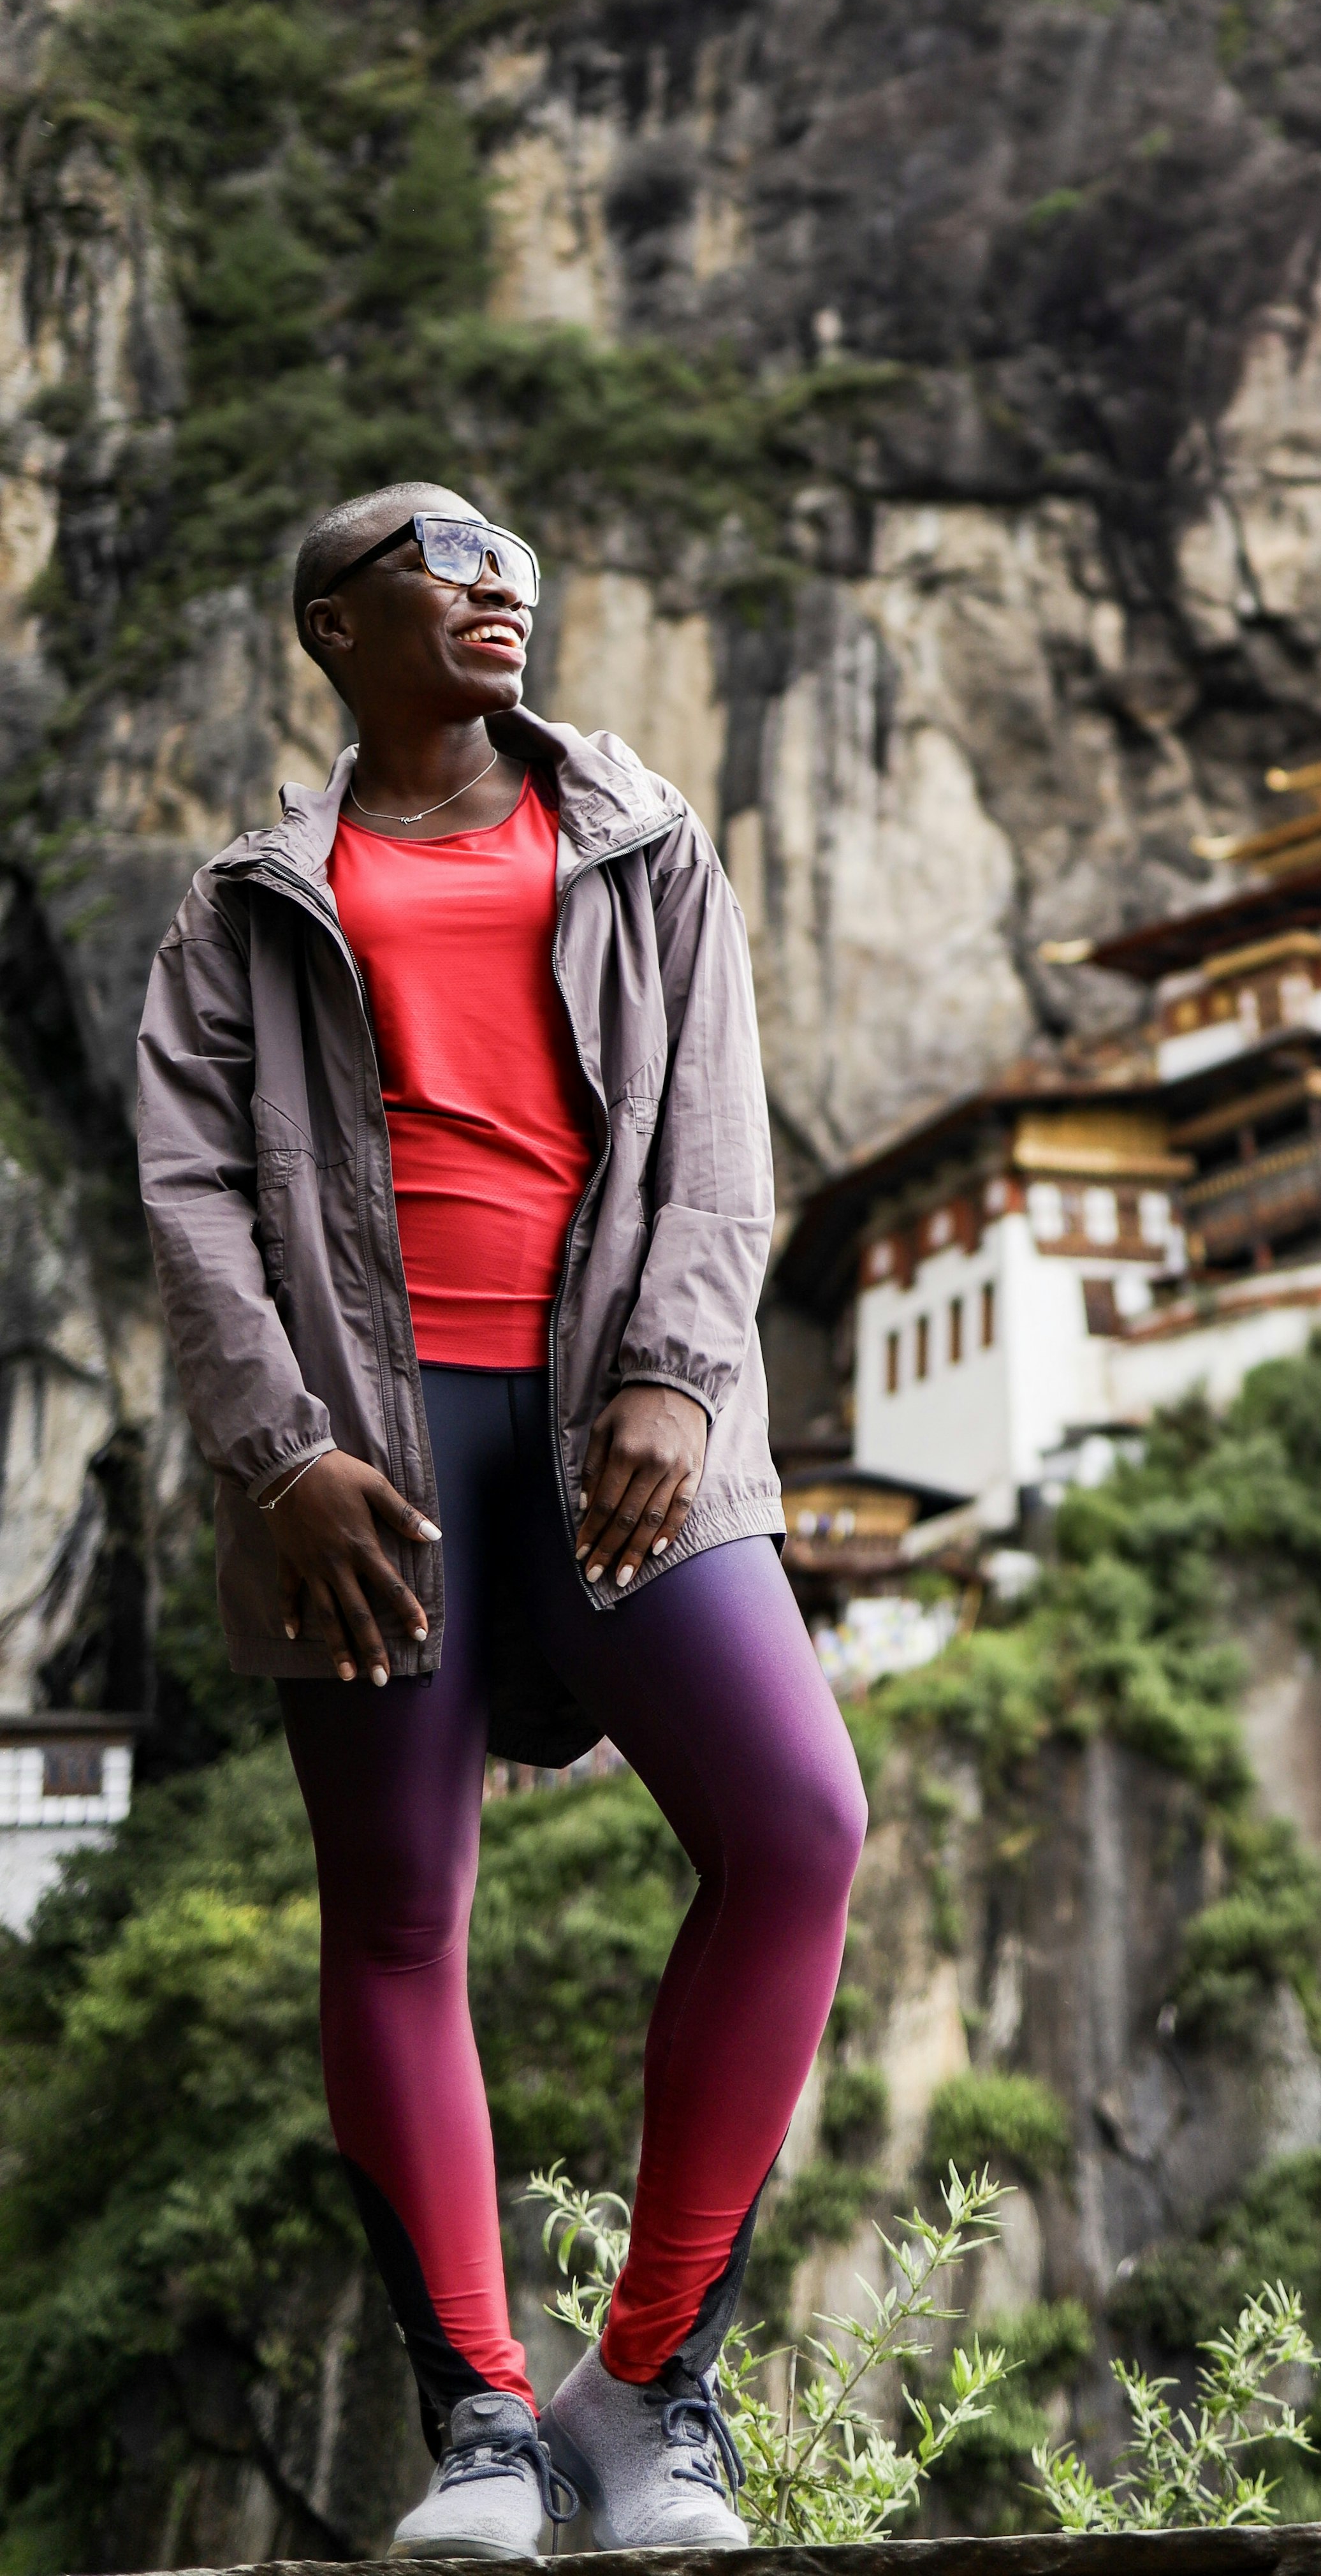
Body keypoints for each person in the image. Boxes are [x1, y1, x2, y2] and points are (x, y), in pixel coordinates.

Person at [136, 485, 867, 2559]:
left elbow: (720, 1141)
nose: (496, 584)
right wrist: (279, 1453)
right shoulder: (245, 902)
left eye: (511, 564)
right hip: (364, 1456)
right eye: (441, 562)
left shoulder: (645, 843)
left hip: (627, 1428)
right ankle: (477, 2424)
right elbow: (191, 1201)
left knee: (801, 1822)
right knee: (392, 1912)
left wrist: (674, 1372)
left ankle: (648, 2395)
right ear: (332, 627)